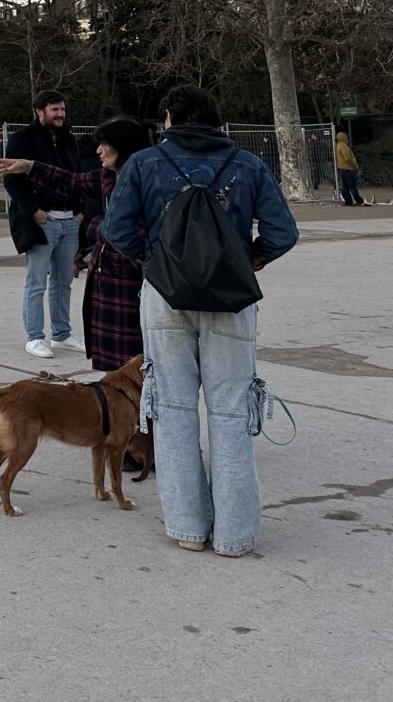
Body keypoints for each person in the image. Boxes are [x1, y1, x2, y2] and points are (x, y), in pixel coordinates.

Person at [103, 84, 298, 557]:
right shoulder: (248, 164)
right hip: (231, 299)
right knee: (232, 411)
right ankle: (235, 534)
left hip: (166, 296)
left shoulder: (145, 163)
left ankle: (187, 526)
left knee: (172, 411)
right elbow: (282, 232)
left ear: (169, 117)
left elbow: (116, 229)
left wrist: (153, 264)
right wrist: (247, 262)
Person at [0, 117, 154, 375]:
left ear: (123, 146)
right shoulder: (108, 175)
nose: (98, 150)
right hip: (109, 279)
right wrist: (31, 167)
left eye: (104, 144)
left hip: (134, 281)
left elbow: (136, 231)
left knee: (138, 362)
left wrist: (96, 227)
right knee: (116, 371)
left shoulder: (148, 180)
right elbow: (73, 181)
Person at [1, 91, 87, 358]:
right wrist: (34, 211)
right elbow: (11, 179)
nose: (60, 114)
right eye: (54, 109)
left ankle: (61, 334)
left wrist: (80, 212)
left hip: (69, 220)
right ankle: (34, 337)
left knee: (64, 282)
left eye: (62, 109)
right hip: (42, 222)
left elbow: (78, 176)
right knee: (36, 281)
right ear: (40, 111)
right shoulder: (21, 140)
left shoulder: (69, 139)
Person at [336, 132, 365, 206]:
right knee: (352, 185)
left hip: (342, 168)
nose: (347, 139)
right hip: (348, 168)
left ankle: (348, 201)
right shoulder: (343, 146)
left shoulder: (338, 145)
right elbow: (348, 158)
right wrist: (354, 164)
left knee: (345, 186)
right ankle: (358, 200)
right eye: (346, 137)